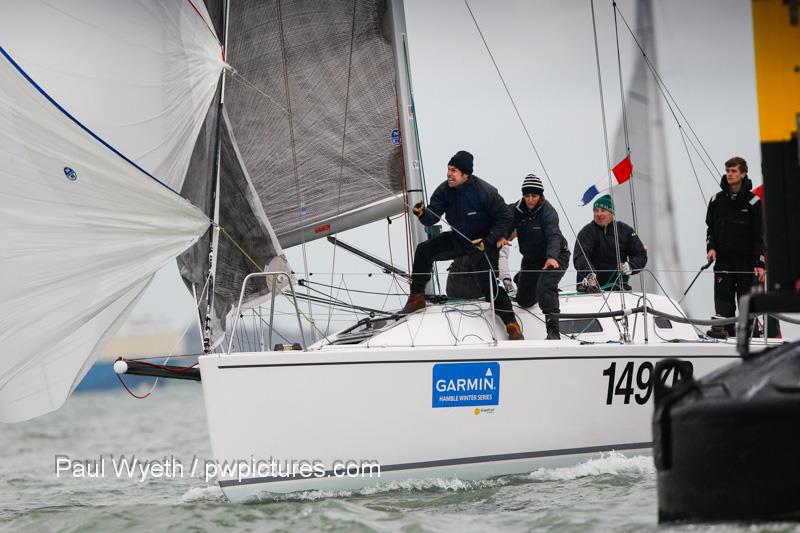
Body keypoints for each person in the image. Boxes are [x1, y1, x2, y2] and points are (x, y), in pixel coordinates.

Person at [400, 150, 524, 340]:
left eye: (454, 170)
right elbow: (432, 217)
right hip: (460, 239)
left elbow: (505, 217)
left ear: (466, 174)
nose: (449, 174)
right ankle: (417, 297)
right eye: (449, 169)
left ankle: (511, 324)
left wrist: (489, 240)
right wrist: (422, 214)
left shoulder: (485, 191)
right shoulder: (445, 190)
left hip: (483, 244)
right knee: (424, 251)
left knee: (489, 286)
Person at [500, 174, 570, 340]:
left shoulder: (549, 212)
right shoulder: (516, 209)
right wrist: (503, 235)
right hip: (532, 259)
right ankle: (523, 279)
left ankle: (553, 332)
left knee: (546, 287)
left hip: (555, 256)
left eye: (534, 196)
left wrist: (551, 256)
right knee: (524, 301)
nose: (530, 200)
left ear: (541, 196)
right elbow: (505, 224)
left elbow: (554, 236)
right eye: (527, 196)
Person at [705, 156, 764, 338]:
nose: (729, 174)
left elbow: (759, 235)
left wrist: (759, 264)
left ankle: (750, 337)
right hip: (723, 261)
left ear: (743, 173)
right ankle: (725, 336)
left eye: (734, 171)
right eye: (728, 171)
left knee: (747, 303)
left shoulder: (754, 202)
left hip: (747, 263)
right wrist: (711, 248)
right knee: (724, 304)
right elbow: (711, 229)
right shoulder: (716, 200)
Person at [573, 194, 647, 291]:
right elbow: (580, 256)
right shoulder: (586, 232)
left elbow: (640, 255)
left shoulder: (626, 230)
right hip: (590, 290)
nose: (599, 214)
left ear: (612, 213)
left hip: (619, 289)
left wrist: (630, 266)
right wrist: (589, 274)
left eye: (603, 210)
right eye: (596, 210)